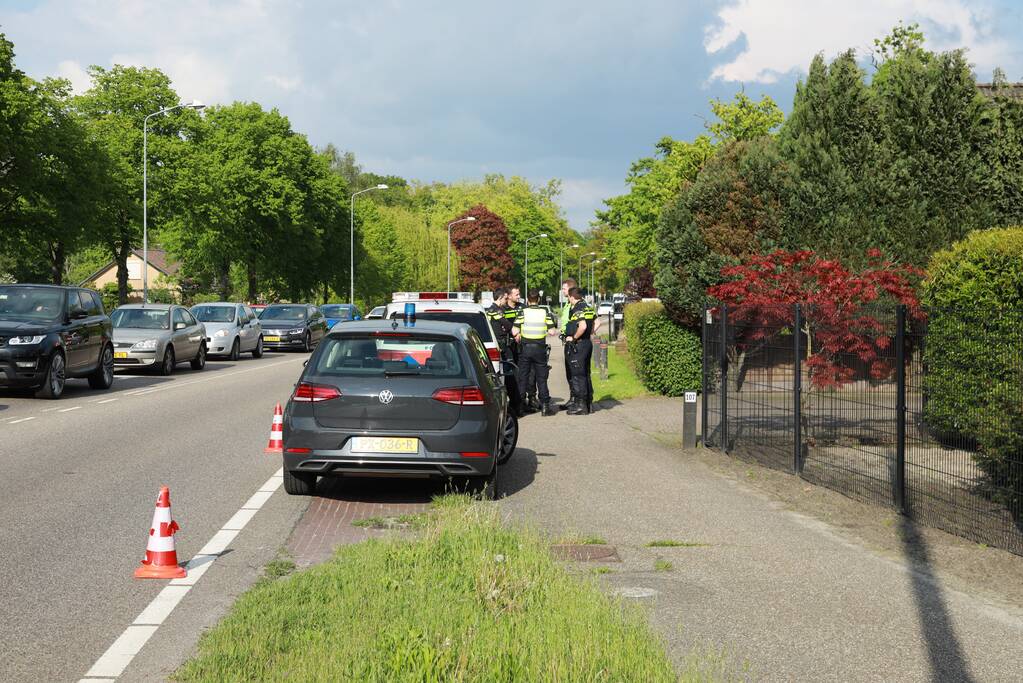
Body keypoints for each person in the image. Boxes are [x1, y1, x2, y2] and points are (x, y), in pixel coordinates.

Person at [512, 289, 558, 416]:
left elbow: (514, 331)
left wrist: (521, 333)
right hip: (540, 349)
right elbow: (552, 332)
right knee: (541, 378)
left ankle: (520, 407)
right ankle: (545, 407)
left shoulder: (523, 312)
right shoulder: (544, 313)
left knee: (523, 378)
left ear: (527, 300)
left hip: (526, 349)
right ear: (538, 299)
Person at [564, 286, 596, 415]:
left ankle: (581, 405)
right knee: (585, 373)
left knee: (577, 375)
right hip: (587, 343)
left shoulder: (577, 308)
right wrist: (590, 333)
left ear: (572, 297)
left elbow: (582, 326)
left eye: (569, 298)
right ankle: (588, 403)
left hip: (579, 345)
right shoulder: (588, 307)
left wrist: (574, 338)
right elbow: (597, 323)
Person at [558, 278, 578, 410]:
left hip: (573, 342)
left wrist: (573, 337)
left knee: (575, 372)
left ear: (570, 289)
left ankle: (577, 399)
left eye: (564, 288)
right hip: (567, 340)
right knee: (569, 372)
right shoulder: (567, 304)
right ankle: (573, 397)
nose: (562, 291)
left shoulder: (574, 305)